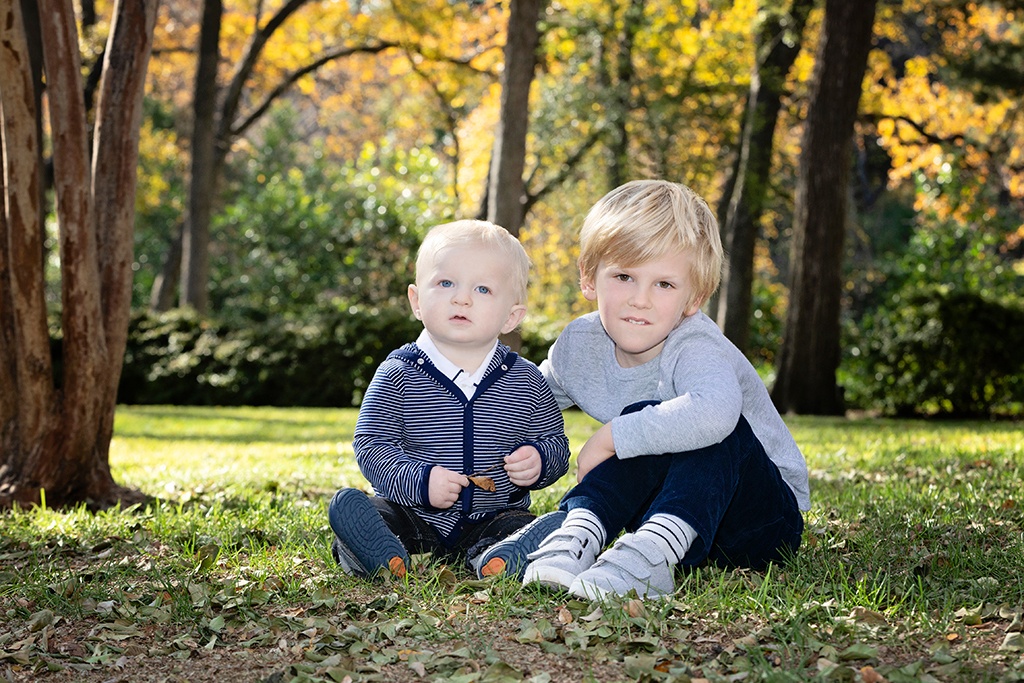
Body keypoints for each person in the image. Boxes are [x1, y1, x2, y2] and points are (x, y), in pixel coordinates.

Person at [478, 180, 810, 600]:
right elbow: (525, 400)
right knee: (646, 428)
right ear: (589, 279)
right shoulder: (580, 344)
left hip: (758, 516)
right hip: (672, 508)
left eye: (664, 285)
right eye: (623, 276)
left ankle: (650, 558)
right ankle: (580, 535)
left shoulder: (696, 346)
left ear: (695, 297)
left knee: (677, 417)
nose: (640, 299)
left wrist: (610, 437)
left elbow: (714, 414)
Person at [328, 219, 571, 580]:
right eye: (445, 283)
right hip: (411, 513)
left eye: (483, 289)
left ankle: (502, 556)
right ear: (417, 301)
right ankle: (380, 554)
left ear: (512, 316)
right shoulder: (400, 372)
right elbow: (372, 445)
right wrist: (421, 481)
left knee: (541, 524)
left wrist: (540, 460)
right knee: (367, 513)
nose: (462, 298)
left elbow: (557, 444)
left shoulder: (526, 380)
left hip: (494, 517)